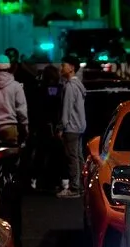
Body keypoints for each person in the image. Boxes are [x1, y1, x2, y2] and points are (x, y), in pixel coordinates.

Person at [56, 55, 86, 198]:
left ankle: (74, 188)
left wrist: (61, 127)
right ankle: (81, 185)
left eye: (64, 65)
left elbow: (66, 110)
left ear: (72, 68)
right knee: (78, 157)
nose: (61, 67)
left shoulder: (69, 87)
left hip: (71, 127)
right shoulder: (78, 85)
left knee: (72, 158)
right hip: (79, 126)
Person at [0, 55, 29, 146]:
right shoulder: (16, 86)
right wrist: (25, 127)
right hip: (10, 128)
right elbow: (21, 110)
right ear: (9, 67)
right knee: (11, 154)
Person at [30, 65, 63, 190]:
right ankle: (53, 181)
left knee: (40, 153)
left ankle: (36, 179)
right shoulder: (59, 89)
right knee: (54, 155)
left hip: (42, 125)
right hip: (53, 126)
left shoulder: (39, 89)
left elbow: (35, 108)